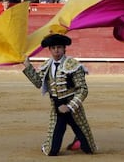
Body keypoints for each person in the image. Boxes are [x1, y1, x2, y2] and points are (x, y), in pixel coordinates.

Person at [22, 26, 97, 156]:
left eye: (59, 47)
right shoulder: (47, 65)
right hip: (56, 108)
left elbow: (83, 90)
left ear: (64, 49)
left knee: (90, 149)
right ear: (50, 50)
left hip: (74, 109)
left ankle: (79, 139)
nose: (56, 50)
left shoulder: (73, 65)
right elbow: (38, 83)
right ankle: (51, 142)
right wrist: (28, 66)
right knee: (51, 151)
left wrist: (69, 107)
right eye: (54, 48)